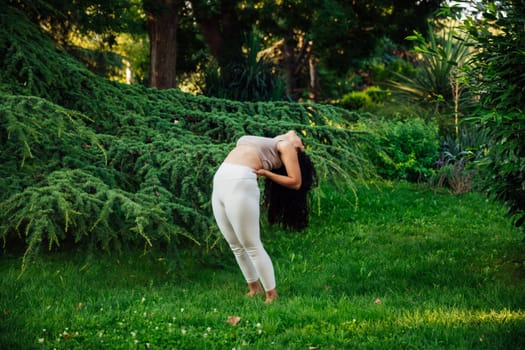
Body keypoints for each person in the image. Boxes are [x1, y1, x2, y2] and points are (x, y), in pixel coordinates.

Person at [211, 130, 316, 303]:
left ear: (299, 150)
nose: (300, 140)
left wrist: (267, 174)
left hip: (240, 180)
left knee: (251, 244)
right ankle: (254, 288)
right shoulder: (270, 142)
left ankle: (271, 294)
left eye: (302, 144)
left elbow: (295, 182)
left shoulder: (287, 146)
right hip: (221, 180)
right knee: (235, 244)